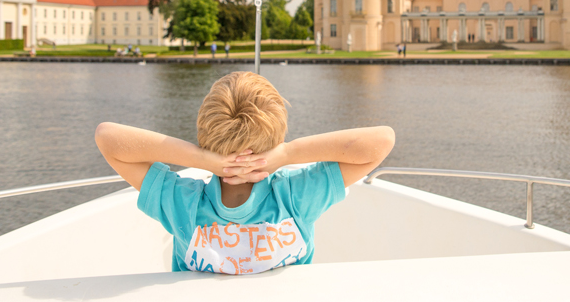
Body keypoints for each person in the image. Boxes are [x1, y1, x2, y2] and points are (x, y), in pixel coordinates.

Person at [95, 71, 394, 276]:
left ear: (205, 139)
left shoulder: (183, 203)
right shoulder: (295, 197)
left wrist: (204, 159)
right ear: (276, 140)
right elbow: (382, 141)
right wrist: (286, 154)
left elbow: (107, 137)